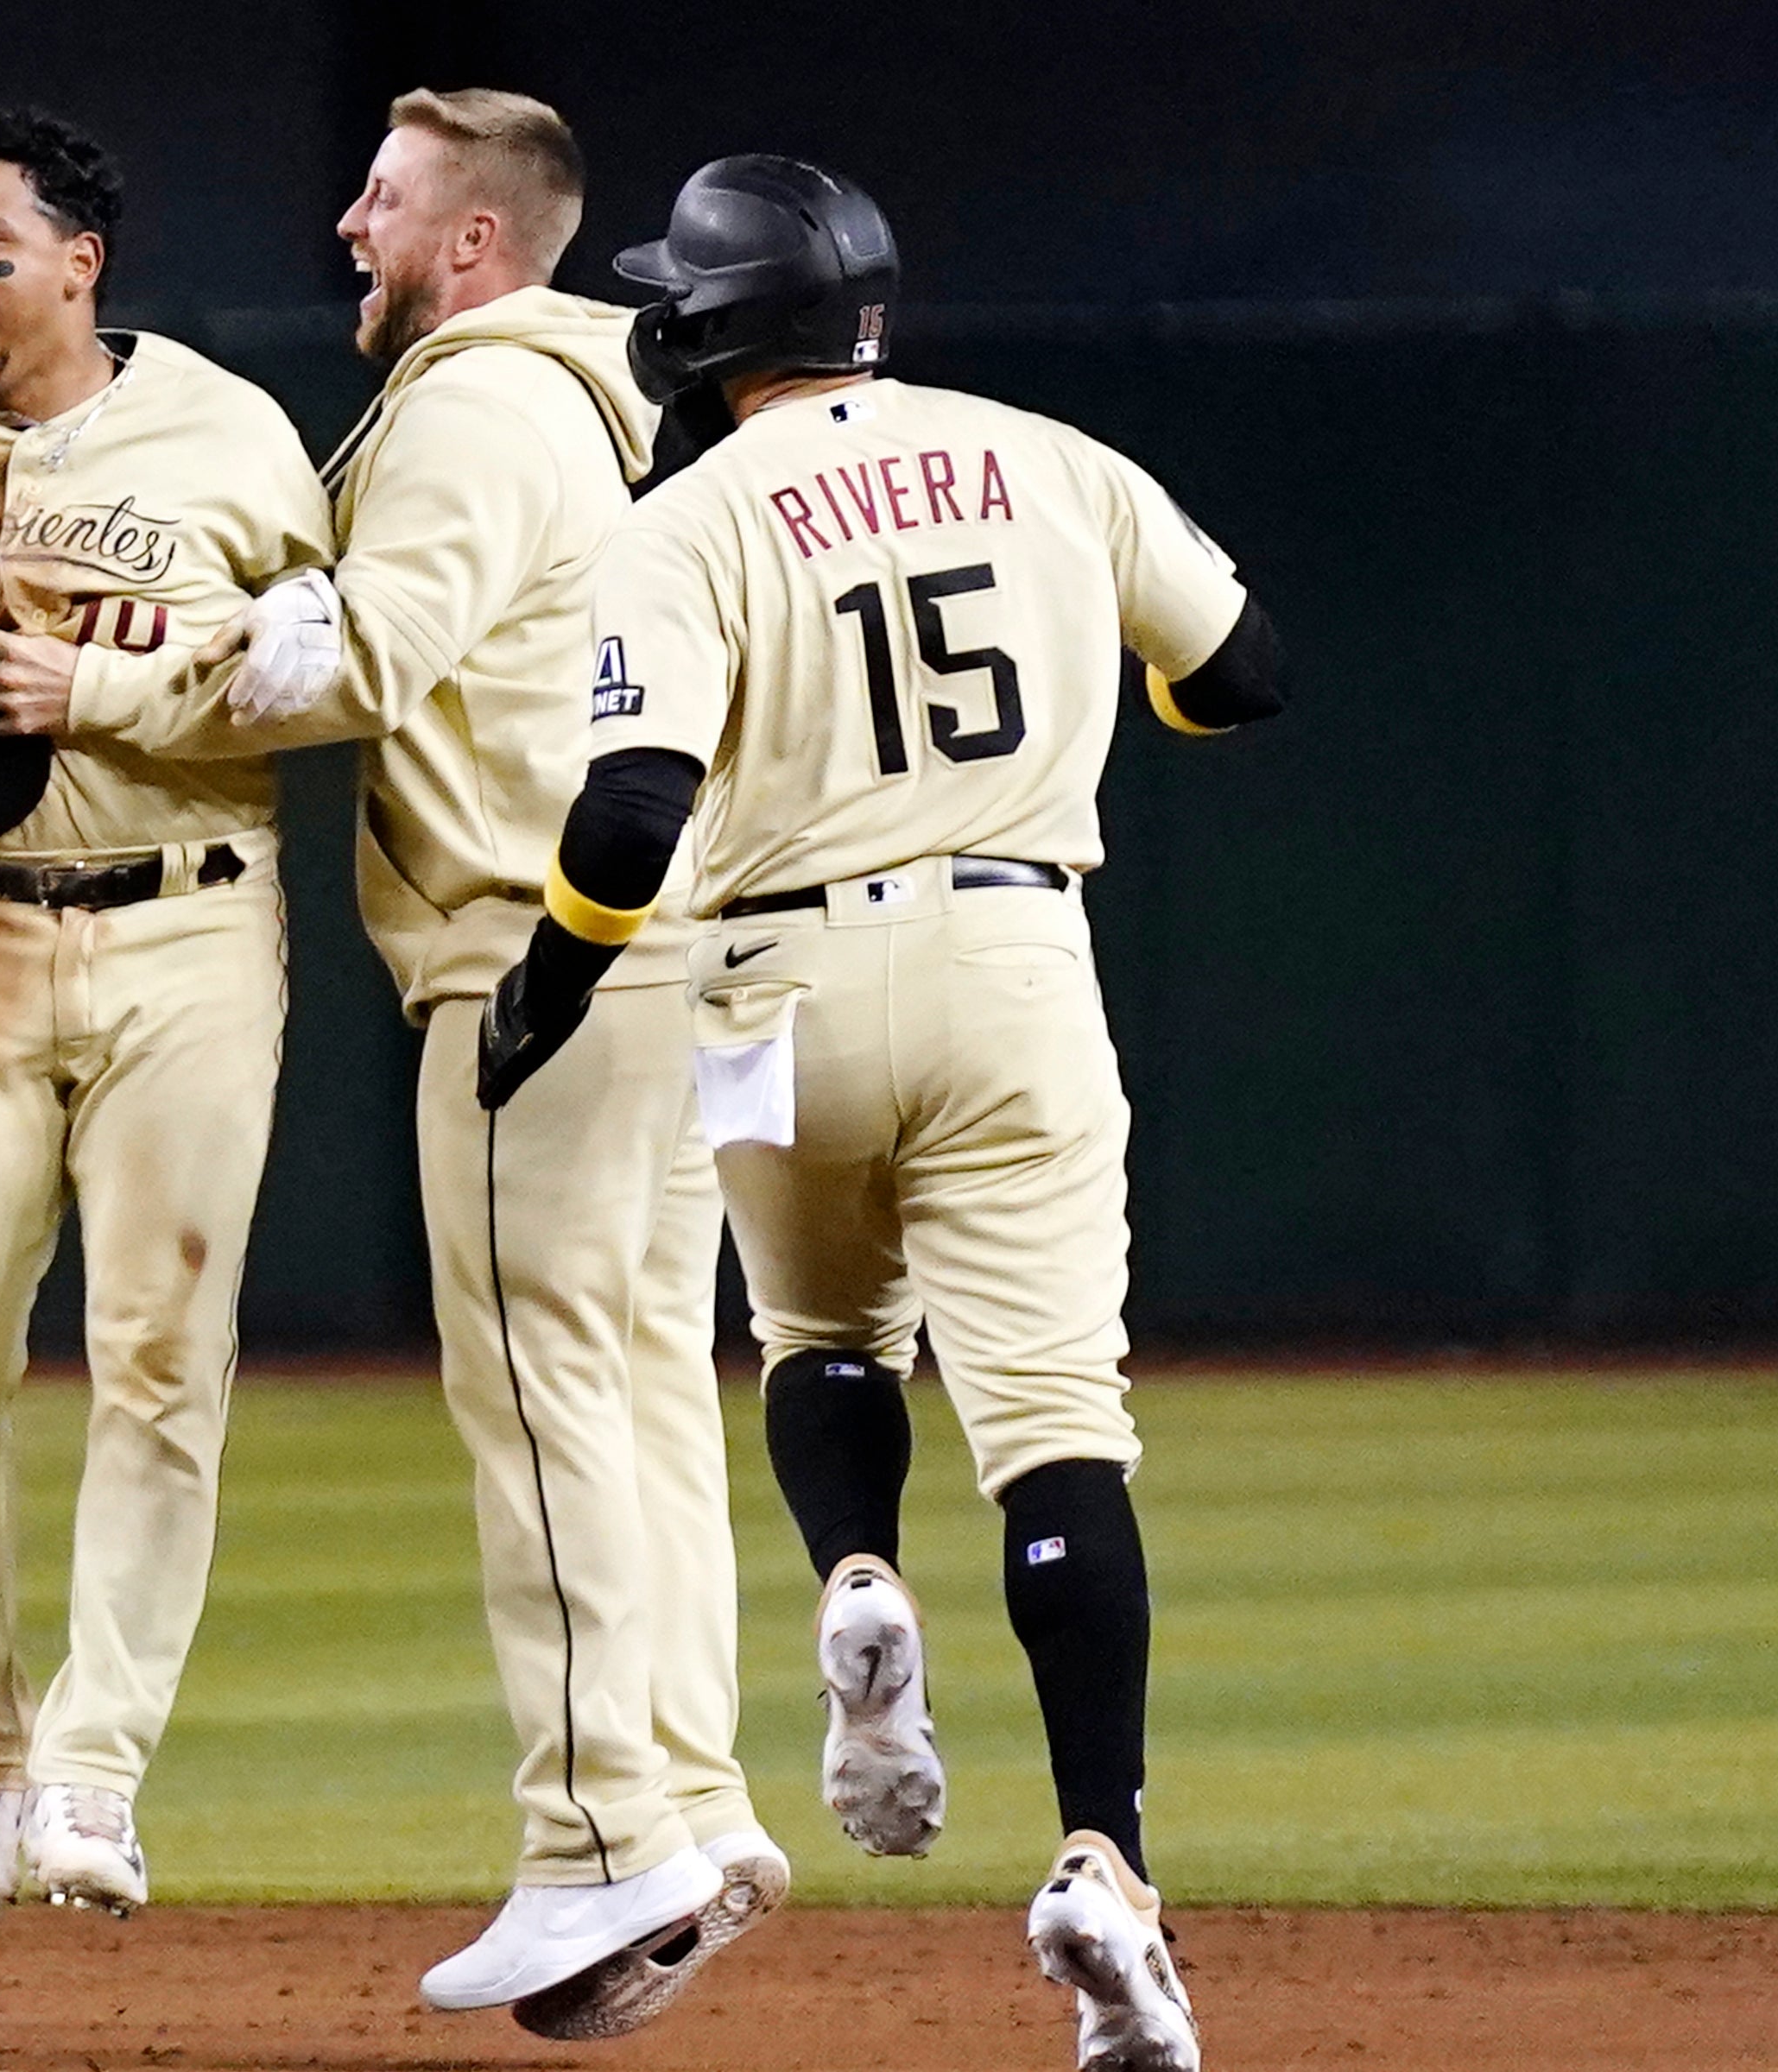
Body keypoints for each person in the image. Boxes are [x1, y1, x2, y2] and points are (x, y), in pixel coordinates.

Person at [480, 155, 1284, 2072]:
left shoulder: (683, 519)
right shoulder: (1052, 457)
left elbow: (627, 819)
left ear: (706, 322)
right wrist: (1098, 700)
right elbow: (1243, 677)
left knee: (825, 1338)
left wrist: (554, 980)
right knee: (1059, 1438)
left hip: (777, 991)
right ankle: (1105, 1866)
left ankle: (859, 1585)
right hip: (1015, 961)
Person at [35, 89, 774, 2036]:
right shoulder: (589, 403)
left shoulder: (473, 398)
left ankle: (600, 1841)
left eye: (383, 198)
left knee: (543, 1400)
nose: (347, 224)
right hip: (660, 948)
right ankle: (689, 1800)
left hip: (536, 954)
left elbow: (366, 656)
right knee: (632, 1393)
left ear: (473, 242)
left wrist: (139, 670)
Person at [0, 101, 329, 1924]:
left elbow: (333, 679)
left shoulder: (227, 432)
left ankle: (91, 1775)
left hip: (190, 930)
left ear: (80, 260)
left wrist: (114, 684)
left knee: (158, 1354)